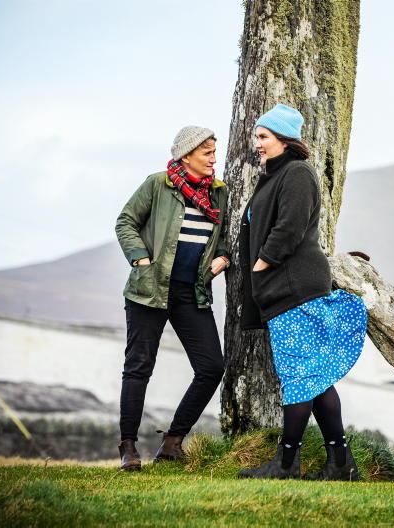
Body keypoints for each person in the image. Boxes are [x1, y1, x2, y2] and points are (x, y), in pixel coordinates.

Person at [236, 104, 368, 481]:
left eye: (263, 136)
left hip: (294, 288)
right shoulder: (273, 175)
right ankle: (340, 464)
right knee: (315, 378)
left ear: (284, 139)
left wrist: (262, 263)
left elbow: (290, 227)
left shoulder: (297, 173)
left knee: (298, 377)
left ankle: (286, 464)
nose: (257, 143)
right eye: (257, 136)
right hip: (283, 289)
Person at [114, 126, 230, 471]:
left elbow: (223, 235)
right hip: (149, 290)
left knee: (211, 367)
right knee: (139, 367)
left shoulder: (219, 193)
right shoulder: (157, 184)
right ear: (186, 155)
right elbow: (125, 222)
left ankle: (172, 442)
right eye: (207, 152)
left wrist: (222, 257)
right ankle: (128, 448)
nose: (214, 158)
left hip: (191, 293)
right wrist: (141, 260)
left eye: (214, 151)